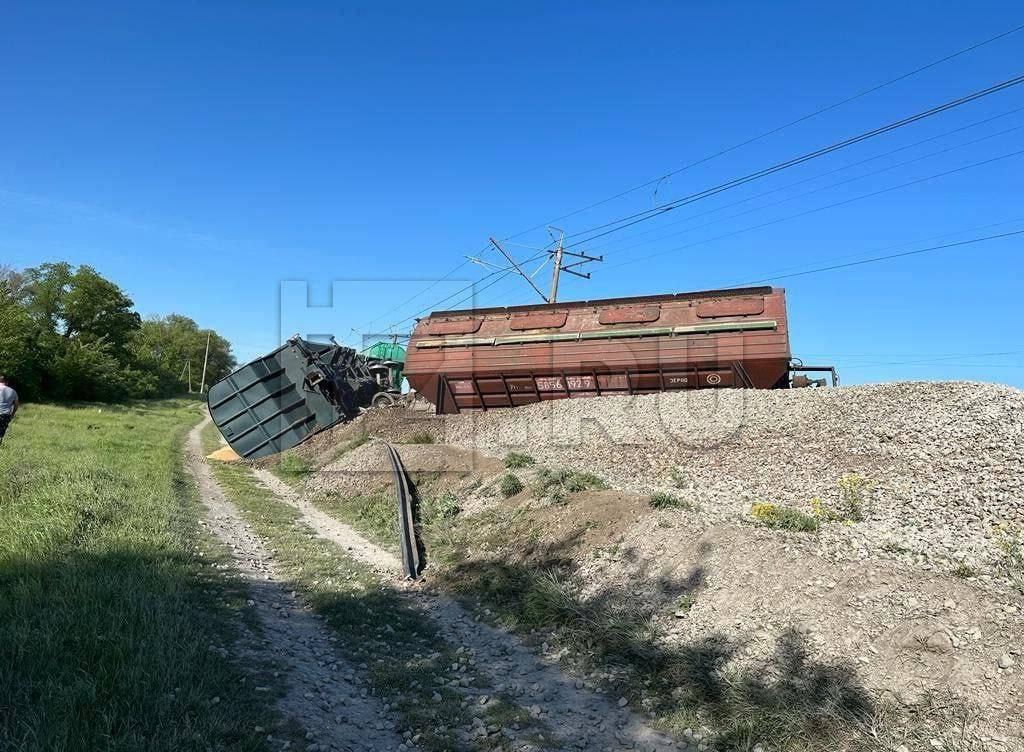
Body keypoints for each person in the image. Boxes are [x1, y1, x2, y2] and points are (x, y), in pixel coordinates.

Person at [0, 375, 18, 447]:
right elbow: (16, 404)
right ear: (7, 382)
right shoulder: (13, 391)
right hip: (6, 414)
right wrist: (13, 413)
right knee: (1, 432)